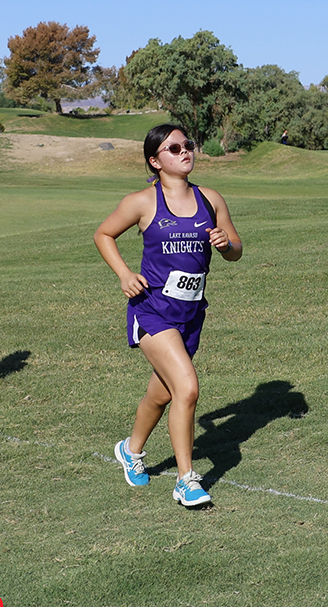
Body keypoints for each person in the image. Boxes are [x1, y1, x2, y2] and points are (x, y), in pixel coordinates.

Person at [94, 124, 242, 507]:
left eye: (187, 145)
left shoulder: (210, 199)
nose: (184, 152)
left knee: (161, 393)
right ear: (155, 160)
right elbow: (103, 234)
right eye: (173, 148)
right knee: (187, 388)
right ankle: (186, 480)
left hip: (192, 312)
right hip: (153, 309)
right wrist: (125, 274)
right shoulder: (142, 202)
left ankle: (130, 449)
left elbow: (236, 249)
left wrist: (227, 245)